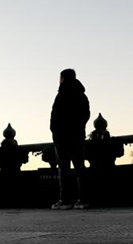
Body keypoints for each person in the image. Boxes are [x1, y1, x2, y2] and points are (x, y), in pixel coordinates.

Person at [50, 69, 91, 210]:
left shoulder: (60, 96)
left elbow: (54, 117)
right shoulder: (81, 95)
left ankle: (65, 200)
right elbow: (86, 115)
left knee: (64, 169)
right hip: (77, 136)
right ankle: (83, 199)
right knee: (80, 168)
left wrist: (56, 133)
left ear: (62, 78)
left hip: (62, 138)